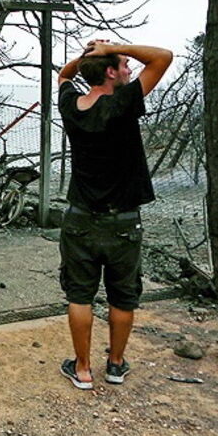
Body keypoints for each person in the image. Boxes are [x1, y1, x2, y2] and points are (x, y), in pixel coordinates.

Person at [56, 39, 173, 389]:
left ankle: (82, 370)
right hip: (123, 221)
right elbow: (163, 57)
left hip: (79, 219)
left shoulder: (70, 106)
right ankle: (116, 365)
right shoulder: (123, 103)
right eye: (123, 65)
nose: (130, 70)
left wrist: (86, 57)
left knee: (79, 295)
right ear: (109, 72)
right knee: (122, 296)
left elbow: (64, 75)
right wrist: (112, 45)